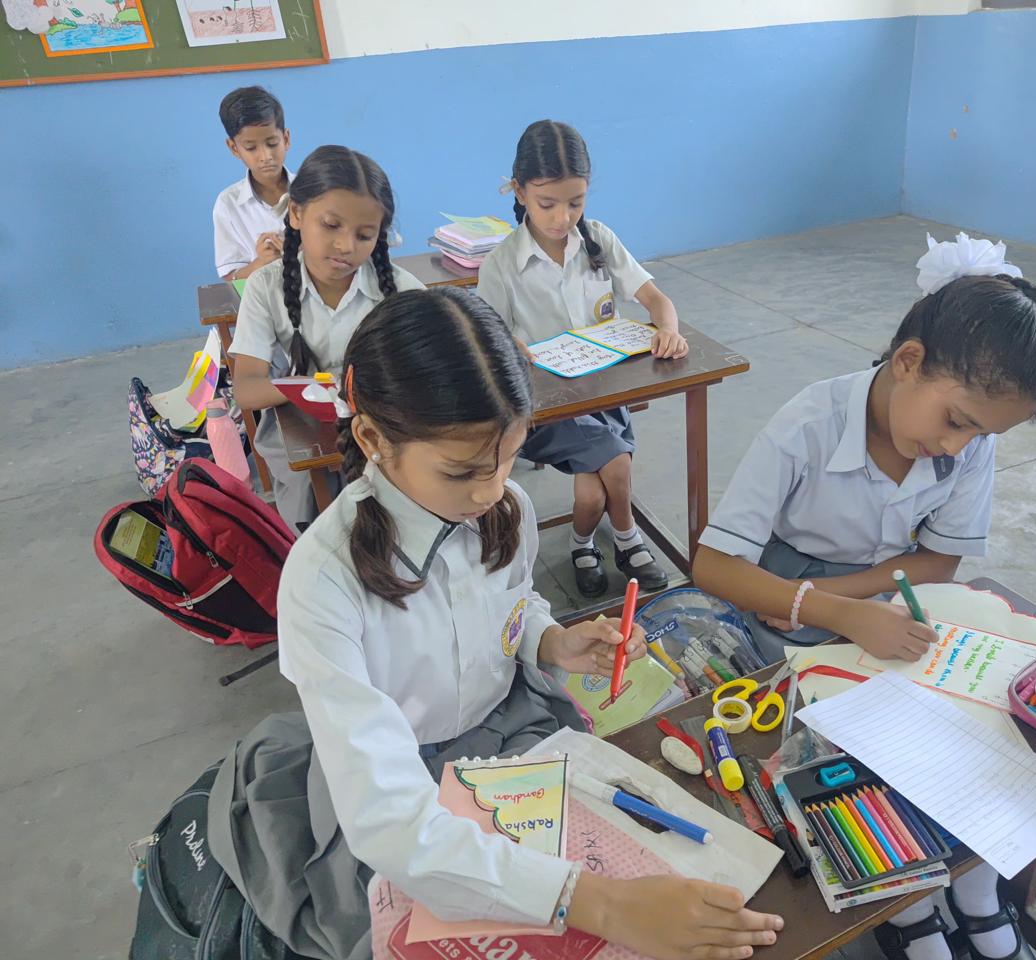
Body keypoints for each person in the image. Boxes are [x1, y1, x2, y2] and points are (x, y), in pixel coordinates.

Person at [209, 288, 785, 960]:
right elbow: (391, 821)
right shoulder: (323, 578)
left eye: (508, 457)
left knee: (646, 848)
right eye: (462, 471)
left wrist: (551, 640)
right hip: (404, 777)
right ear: (372, 439)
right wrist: (603, 905)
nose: (489, 490)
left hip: (511, 730)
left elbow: (513, 604)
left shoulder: (503, 508)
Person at [693, 233, 1036, 960]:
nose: (958, 447)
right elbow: (714, 564)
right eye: (956, 421)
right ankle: (910, 903)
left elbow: (939, 560)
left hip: (870, 595)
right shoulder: (807, 424)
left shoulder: (969, 443)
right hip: (784, 598)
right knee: (831, 745)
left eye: (980, 434)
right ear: (907, 362)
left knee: (975, 726)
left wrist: (838, 599)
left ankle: (977, 886)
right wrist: (828, 610)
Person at [477, 120, 687, 598]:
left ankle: (582, 544)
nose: (562, 217)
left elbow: (656, 300)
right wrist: (510, 347)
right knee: (617, 465)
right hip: (543, 410)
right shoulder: (502, 265)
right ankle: (629, 539)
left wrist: (668, 330)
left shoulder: (599, 240)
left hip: (605, 396)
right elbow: (486, 341)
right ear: (519, 191)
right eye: (547, 203)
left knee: (592, 492)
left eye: (576, 202)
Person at [228, 145, 423, 530]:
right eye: (331, 226)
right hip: (302, 425)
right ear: (296, 213)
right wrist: (308, 387)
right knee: (313, 510)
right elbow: (247, 389)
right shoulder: (266, 287)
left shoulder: (398, 288)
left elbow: (446, 346)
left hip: (378, 421)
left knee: (395, 503)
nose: (346, 246)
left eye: (364, 235)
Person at [213, 85, 292, 280]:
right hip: (263, 297)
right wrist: (260, 263)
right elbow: (230, 278)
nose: (265, 156)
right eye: (251, 147)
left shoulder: (314, 191)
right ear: (234, 148)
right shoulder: (228, 204)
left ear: (286, 139)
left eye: (272, 143)